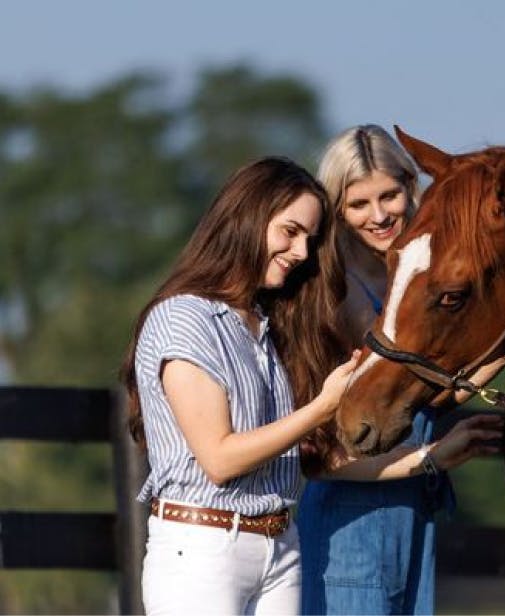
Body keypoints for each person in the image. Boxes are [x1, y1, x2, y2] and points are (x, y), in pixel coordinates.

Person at [120, 156, 361, 614]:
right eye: (289, 231)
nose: (302, 253)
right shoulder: (184, 318)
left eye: (309, 239)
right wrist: (322, 407)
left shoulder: (265, 326)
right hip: (204, 552)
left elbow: (308, 456)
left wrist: (430, 460)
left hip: (279, 545)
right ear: (248, 218)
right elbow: (219, 458)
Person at [286, 124, 505, 615]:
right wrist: (433, 456)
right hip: (353, 514)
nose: (380, 214)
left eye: (390, 194)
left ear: (411, 186)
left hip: (411, 507)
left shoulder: (414, 277)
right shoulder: (332, 293)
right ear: (337, 209)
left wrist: (501, 357)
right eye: (358, 203)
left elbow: (414, 393)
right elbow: (327, 449)